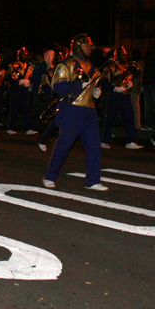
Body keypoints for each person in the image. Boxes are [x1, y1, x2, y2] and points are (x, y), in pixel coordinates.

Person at [42, 33, 108, 191]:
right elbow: (57, 86)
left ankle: (93, 180)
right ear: (78, 46)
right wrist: (79, 85)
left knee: (93, 146)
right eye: (87, 46)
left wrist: (97, 92)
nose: (90, 48)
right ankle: (50, 176)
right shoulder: (66, 64)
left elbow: (96, 84)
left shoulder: (92, 66)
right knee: (64, 144)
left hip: (89, 109)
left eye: (91, 46)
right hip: (72, 108)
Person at [100, 46, 143, 150]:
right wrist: (114, 89)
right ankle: (103, 140)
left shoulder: (126, 67)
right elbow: (104, 82)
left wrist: (129, 84)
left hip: (124, 95)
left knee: (129, 117)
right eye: (123, 55)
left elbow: (127, 78)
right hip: (114, 95)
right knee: (108, 118)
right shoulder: (111, 67)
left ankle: (131, 141)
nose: (125, 56)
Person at [6, 47, 37, 135]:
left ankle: (29, 128)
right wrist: (18, 82)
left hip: (25, 90)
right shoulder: (13, 65)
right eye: (23, 54)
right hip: (16, 89)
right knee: (14, 109)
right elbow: (9, 77)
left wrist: (29, 82)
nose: (25, 56)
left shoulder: (30, 66)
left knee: (26, 109)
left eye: (26, 54)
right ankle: (10, 127)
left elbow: (32, 77)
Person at [141, 40, 155, 131]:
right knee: (151, 106)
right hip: (151, 83)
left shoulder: (151, 57)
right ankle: (151, 124)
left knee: (151, 106)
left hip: (151, 84)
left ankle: (150, 124)